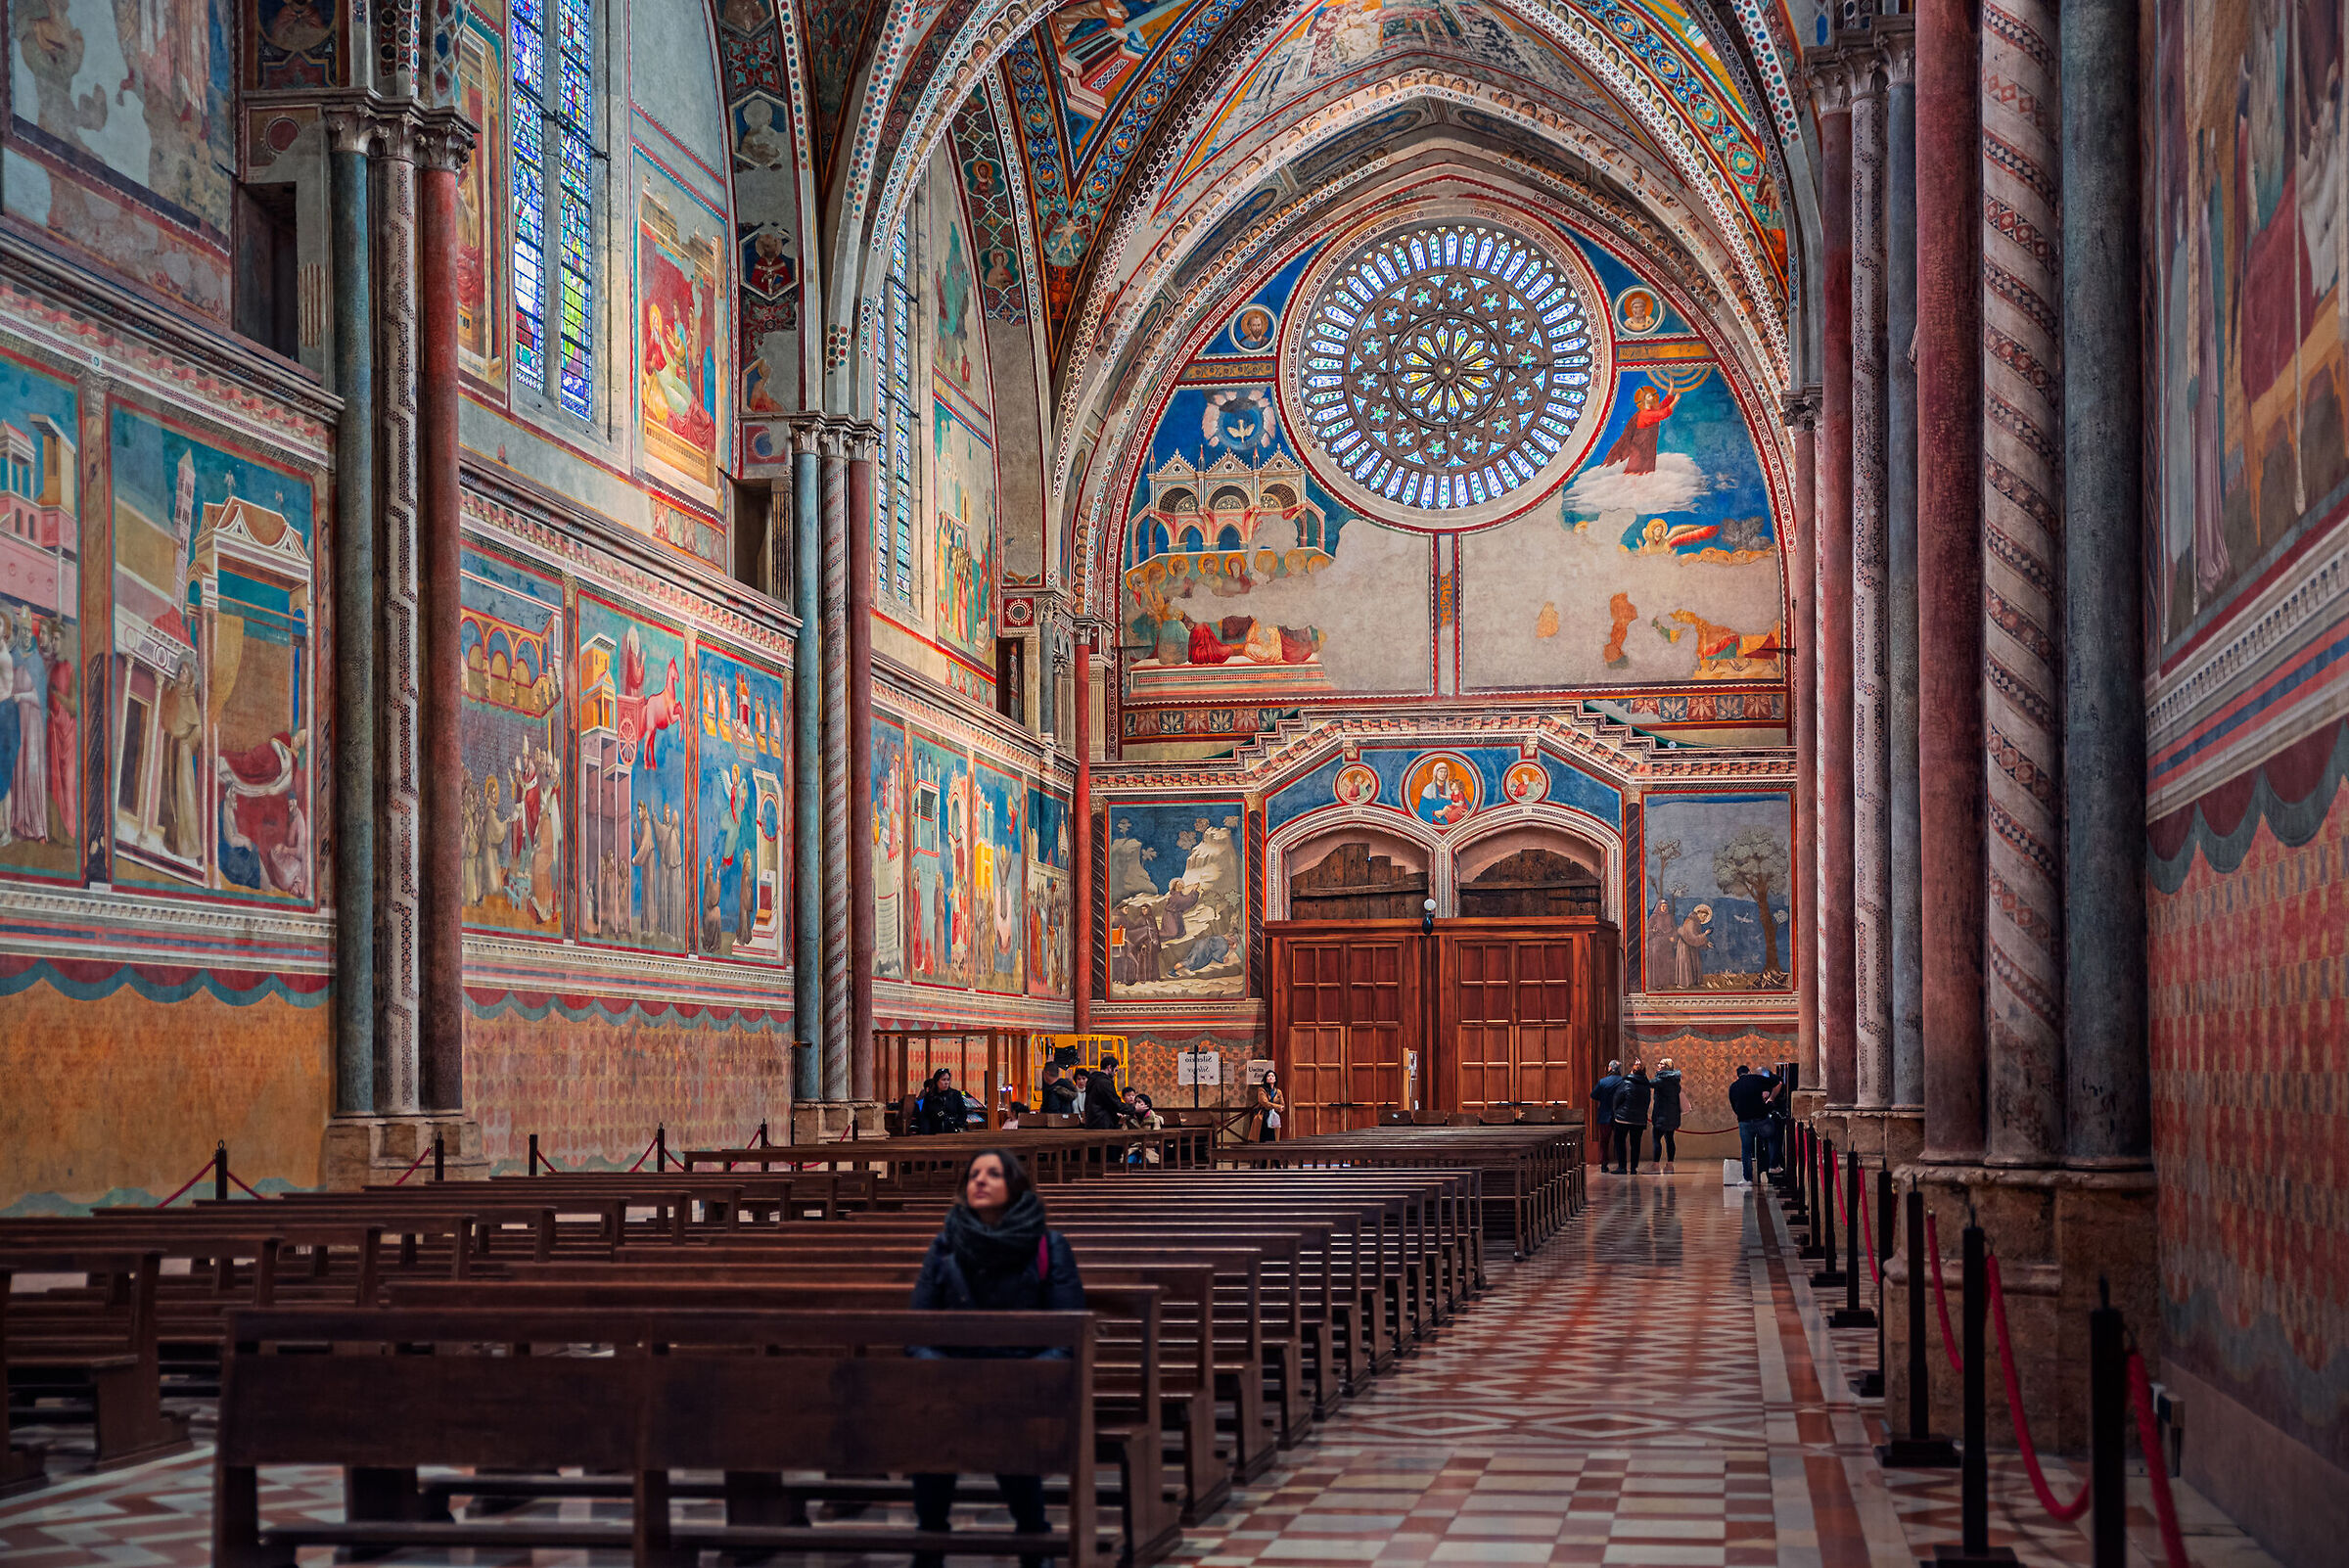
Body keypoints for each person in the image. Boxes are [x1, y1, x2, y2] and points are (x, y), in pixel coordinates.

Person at [907, 1148, 1083, 1568]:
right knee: (936, 1423)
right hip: (954, 1381)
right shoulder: (946, 1244)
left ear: (1015, 1185)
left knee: (1006, 1418)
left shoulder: (1047, 1246)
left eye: (992, 1174)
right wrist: (940, 1373)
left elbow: (1068, 1330)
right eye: (973, 1175)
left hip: (1027, 1382)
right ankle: (930, 1538)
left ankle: (1032, 1534)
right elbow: (917, 1327)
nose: (979, 1181)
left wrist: (1024, 1377)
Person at [1727, 1063, 1779, 1185]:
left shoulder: (1733, 1086)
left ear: (1738, 1075)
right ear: (1749, 1072)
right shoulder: (1756, 1079)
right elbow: (1776, 1081)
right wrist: (1770, 1097)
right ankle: (1773, 1165)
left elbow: (1733, 1104)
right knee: (1772, 1136)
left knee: (1746, 1150)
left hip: (1744, 1121)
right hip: (1760, 1118)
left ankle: (1747, 1179)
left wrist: (1742, 1115)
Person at [1611, 1060, 1653, 1174]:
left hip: (1622, 1118)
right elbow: (1647, 1102)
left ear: (1632, 1071)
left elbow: (1617, 1098)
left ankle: (1622, 1167)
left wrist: (1616, 1111)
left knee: (1620, 1142)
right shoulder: (1646, 1086)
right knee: (1636, 1144)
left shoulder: (1625, 1083)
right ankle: (1634, 1168)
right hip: (1639, 1120)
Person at [1589, 1059, 1625, 1172]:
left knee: (1604, 1141)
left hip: (1605, 1114)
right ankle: (1621, 1165)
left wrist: (1603, 1099)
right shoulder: (1623, 1081)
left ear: (1609, 1068)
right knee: (1620, 1141)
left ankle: (1604, 1164)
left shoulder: (1603, 1082)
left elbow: (1593, 1095)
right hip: (1619, 1115)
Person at [1649, 1057, 1683, 1174]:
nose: (1658, 1065)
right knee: (1670, 1140)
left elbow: (1647, 1083)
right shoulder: (1675, 1081)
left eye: (1661, 1063)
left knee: (1656, 1139)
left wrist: (1638, 1072)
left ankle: (1655, 1165)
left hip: (1661, 1116)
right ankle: (1670, 1166)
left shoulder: (1661, 1080)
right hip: (1673, 1116)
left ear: (1666, 1066)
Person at [916, 1069, 967, 1135]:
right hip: (934, 1133)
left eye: (948, 1080)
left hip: (952, 1132)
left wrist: (956, 1124)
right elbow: (925, 1117)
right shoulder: (930, 1097)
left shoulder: (955, 1094)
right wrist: (926, 1134)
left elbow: (963, 1113)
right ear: (937, 1081)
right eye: (943, 1080)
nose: (946, 1082)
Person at [1254, 1071, 1286, 1142]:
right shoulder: (1262, 1089)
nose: (1271, 1077)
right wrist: (1278, 1107)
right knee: (1263, 1138)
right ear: (1266, 1079)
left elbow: (1283, 1105)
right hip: (1264, 1115)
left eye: (1272, 1076)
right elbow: (1265, 1103)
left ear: (1275, 1079)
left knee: (1274, 1138)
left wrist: (1280, 1108)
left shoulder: (1278, 1092)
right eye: (1268, 1076)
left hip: (1274, 1116)